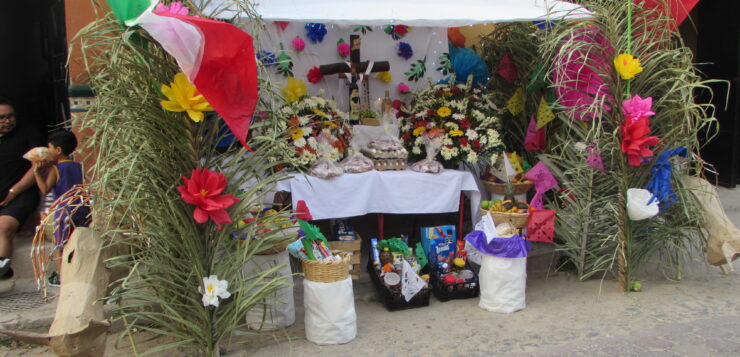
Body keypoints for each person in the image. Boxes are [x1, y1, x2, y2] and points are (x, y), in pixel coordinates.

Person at [33, 130, 89, 286]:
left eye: (49, 147)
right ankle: (80, 272)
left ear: (58, 151)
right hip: (82, 208)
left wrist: (37, 172)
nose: (48, 151)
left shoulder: (56, 169)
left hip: (63, 211)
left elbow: (45, 189)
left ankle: (62, 276)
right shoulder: (79, 166)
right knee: (79, 242)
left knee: (60, 245)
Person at [0, 96, 44, 280]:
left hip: (20, 194)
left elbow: (39, 164)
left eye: (10, 116)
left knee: (4, 227)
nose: (7, 121)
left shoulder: (28, 133)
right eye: (2, 118)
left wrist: (14, 191)